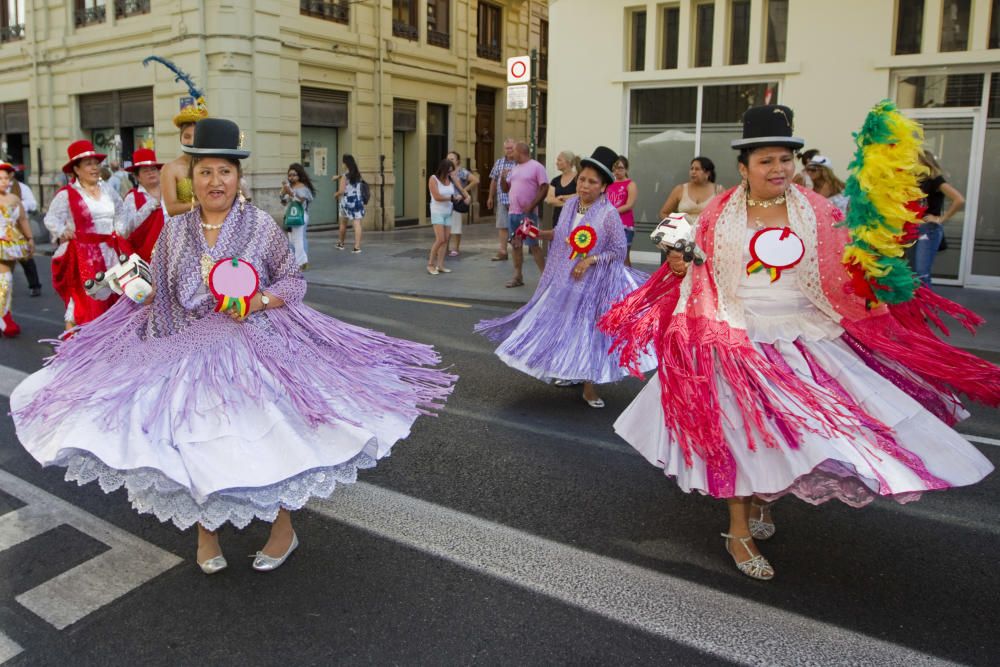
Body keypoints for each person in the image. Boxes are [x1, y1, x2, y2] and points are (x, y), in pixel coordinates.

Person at [10, 118, 454, 575]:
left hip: (252, 347)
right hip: (188, 349)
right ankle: (207, 532)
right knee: (196, 443)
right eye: (205, 172)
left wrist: (259, 300)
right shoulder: (174, 231)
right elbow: (159, 295)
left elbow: (293, 283)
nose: (214, 181)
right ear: (192, 180)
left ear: (238, 177)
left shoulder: (261, 226)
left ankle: (283, 529)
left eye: (224, 172)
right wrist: (132, 296)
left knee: (268, 441)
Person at [602, 105, 994, 581]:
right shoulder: (719, 210)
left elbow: (843, 266)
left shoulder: (818, 208)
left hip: (804, 334)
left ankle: (767, 497)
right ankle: (737, 530)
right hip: (735, 334)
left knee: (801, 432)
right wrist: (679, 261)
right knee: (741, 434)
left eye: (785, 159)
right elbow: (675, 237)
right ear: (744, 167)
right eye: (766, 161)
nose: (778, 169)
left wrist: (873, 274)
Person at [475, 146, 654, 408]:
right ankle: (572, 373)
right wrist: (537, 233)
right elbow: (561, 235)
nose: (585, 186)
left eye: (592, 182)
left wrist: (591, 259)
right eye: (582, 179)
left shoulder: (609, 214)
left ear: (604, 187)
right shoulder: (570, 205)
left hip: (594, 284)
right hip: (567, 278)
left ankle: (590, 388)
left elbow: (617, 252)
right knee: (567, 329)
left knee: (588, 332)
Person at [44, 140, 127, 331]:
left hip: (111, 254)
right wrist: (63, 231)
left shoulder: (107, 189)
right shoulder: (67, 194)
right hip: (84, 257)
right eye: (88, 164)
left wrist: (119, 230)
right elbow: (51, 219)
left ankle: (108, 350)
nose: (95, 167)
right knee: (84, 303)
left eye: (96, 163)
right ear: (76, 169)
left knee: (114, 300)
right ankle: (72, 350)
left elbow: (121, 212)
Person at [913, 149, 965, 287]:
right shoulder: (915, 181)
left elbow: (959, 199)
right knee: (912, 274)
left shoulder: (935, 179)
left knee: (921, 274)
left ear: (924, 161)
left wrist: (941, 219)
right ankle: (914, 306)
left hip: (927, 230)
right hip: (913, 230)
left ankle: (924, 308)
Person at [501, 142, 549, 288]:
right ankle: (518, 276)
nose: (510, 154)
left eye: (513, 151)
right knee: (516, 245)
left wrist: (532, 205)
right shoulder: (514, 169)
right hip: (513, 213)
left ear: (521, 151)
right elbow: (505, 189)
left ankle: (545, 277)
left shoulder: (536, 167)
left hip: (528, 214)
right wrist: (503, 178)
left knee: (533, 245)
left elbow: (544, 187)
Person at [0, 162, 34, 337]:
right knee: (5, 279)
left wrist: (30, 239)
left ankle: (5, 314)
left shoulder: (14, 199)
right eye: (0, 178)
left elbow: (23, 220)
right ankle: (4, 318)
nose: (4, 181)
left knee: (6, 280)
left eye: (6, 178)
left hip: (12, 244)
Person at [119, 148, 165, 262]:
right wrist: (149, 206)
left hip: (171, 251)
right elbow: (125, 230)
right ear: (137, 176)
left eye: (153, 169)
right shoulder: (132, 198)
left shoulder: (169, 193)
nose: (151, 172)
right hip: (145, 256)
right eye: (145, 170)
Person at [427, 158, 470, 275]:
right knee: (440, 239)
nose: (450, 173)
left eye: (452, 171)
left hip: (448, 212)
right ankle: (430, 264)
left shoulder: (452, 179)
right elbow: (436, 197)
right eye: (449, 171)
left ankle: (440, 265)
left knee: (445, 240)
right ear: (443, 169)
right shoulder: (433, 179)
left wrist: (467, 197)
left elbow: (462, 190)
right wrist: (452, 198)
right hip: (437, 212)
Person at [658, 156, 725, 225]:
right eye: (692, 169)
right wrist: (675, 225)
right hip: (682, 234)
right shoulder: (680, 189)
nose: (693, 172)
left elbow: (726, 216)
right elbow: (664, 213)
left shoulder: (718, 190)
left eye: (697, 169)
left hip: (706, 233)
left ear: (707, 173)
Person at [7, 170, 42, 296]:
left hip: (19, 229)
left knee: (26, 259)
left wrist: (17, 205)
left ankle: (35, 285)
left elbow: (32, 204)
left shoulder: (21, 188)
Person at [280, 163, 315, 270]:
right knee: (291, 240)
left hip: (300, 215)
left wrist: (291, 193)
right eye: (289, 175)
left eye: (294, 175)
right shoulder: (288, 187)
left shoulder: (303, 187)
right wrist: (283, 193)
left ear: (299, 175)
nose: (291, 177)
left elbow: (301, 201)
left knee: (298, 239)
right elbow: (284, 202)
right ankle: (297, 262)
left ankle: (301, 263)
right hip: (289, 215)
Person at [487, 139, 517, 261]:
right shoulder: (499, 162)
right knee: (502, 226)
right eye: (507, 148)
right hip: (501, 199)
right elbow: (494, 180)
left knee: (516, 227)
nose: (509, 151)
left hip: (516, 201)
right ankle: (503, 251)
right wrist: (490, 197)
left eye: (511, 148)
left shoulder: (520, 163)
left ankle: (516, 251)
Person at [606, 156, 638, 266]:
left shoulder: (630, 184)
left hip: (625, 224)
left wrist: (612, 211)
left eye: (620, 168)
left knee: (624, 256)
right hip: (609, 224)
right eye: (614, 168)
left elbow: (629, 205)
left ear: (626, 169)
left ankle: (628, 282)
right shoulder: (609, 184)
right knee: (610, 256)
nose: (617, 171)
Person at [446, 150, 479, 257]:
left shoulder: (462, 172)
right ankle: (444, 247)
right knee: (445, 225)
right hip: (446, 200)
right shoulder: (445, 172)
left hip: (457, 201)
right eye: (448, 159)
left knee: (455, 226)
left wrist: (464, 192)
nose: (449, 161)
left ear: (457, 161)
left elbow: (475, 180)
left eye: (452, 159)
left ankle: (455, 248)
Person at [335, 154, 365, 253]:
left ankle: (341, 243)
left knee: (343, 223)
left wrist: (335, 194)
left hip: (346, 202)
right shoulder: (357, 174)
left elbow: (342, 191)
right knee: (357, 224)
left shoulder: (345, 176)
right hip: (357, 201)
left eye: (343, 162)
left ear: (346, 164)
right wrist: (339, 177)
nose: (342, 164)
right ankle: (357, 247)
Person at [545, 150, 578, 220]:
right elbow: (549, 200)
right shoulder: (555, 180)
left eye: (559, 160)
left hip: (573, 217)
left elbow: (580, 196)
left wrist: (562, 197)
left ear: (568, 162)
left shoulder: (578, 178)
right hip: (558, 218)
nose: (556, 163)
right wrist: (570, 201)